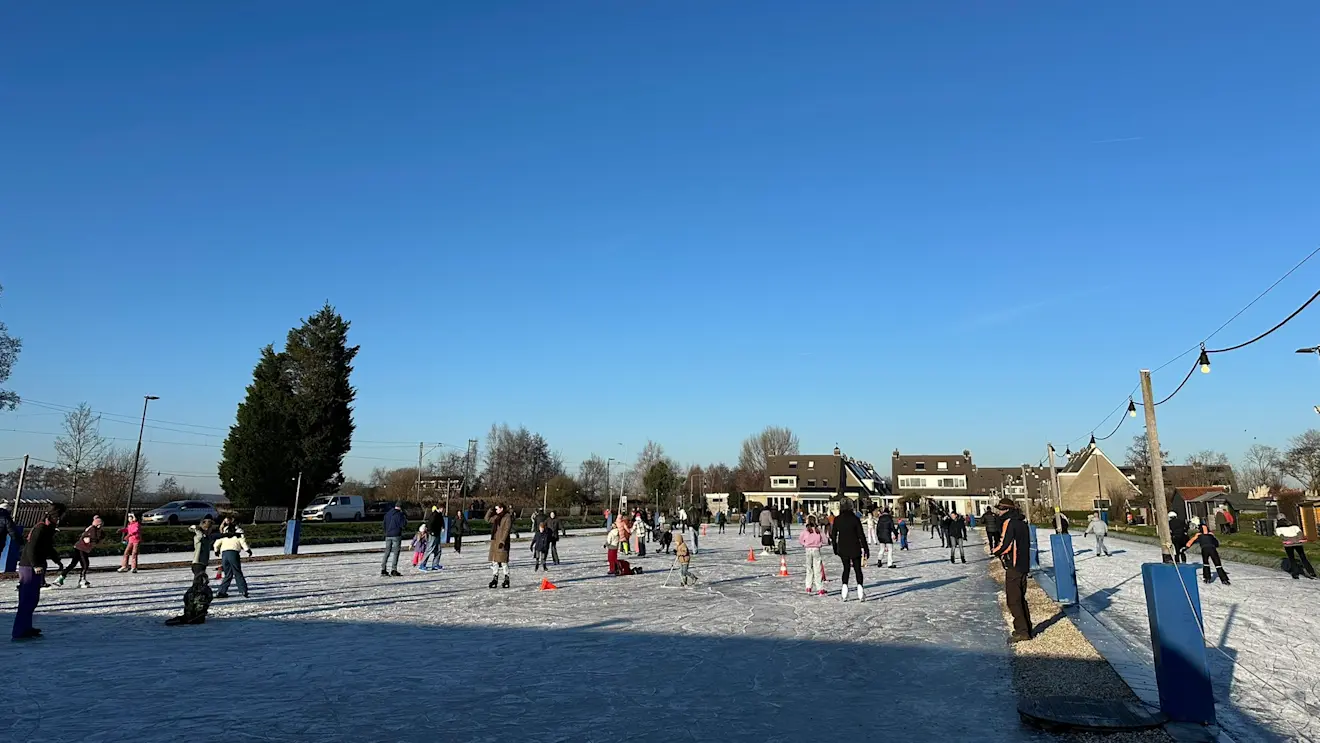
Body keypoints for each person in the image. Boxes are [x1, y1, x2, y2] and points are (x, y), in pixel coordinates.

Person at [12, 504, 65, 641]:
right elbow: (31, 548)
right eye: (59, 516)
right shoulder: (40, 528)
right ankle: (19, 631)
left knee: (32, 599)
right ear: (53, 516)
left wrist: (57, 560)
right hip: (29, 566)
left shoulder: (47, 529)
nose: (60, 520)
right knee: (27, 600)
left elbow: (47, 547)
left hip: (35, 566)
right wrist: (35, 564)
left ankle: (26, 627)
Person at [991, 498, 1033, 643]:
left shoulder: (1009, 523)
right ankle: (1027, 628)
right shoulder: (1022, 522)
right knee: (1020, 598)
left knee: (1013, 600)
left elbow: (1005, 544)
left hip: (1014, 565)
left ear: (1007, 510)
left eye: (1001, 509)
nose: (999, 512)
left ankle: (1022, 631)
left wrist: (995, 551)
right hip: (1023, 564)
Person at [830, 500, 869, 601]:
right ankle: (860, 591)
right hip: (855, 546)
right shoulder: (855, 519)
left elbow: (833, 535)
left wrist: (835, 547)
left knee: (846, 568)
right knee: (857, 569)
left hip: (843, 547)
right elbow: (861, 535)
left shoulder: (838, 519)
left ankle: (844, 592)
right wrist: (866, 548)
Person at [56, 514, 104, 588]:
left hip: (80, 548)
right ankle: (82, 580)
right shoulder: (92, 529)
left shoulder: (96, 530)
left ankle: (61, 577)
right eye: (99, 524)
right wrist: (93, 540)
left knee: (73, 564)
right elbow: (87, 539)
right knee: (85, 564)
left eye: (101, 524)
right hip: (81, 549)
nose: (100, 526)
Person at [213, 525, 253, 598]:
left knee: (228, 574)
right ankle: (243, 590)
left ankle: (221, 591)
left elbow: (216, 544)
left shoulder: (224, 536)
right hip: (234, 554)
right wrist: (248, 550)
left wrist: (216, 551)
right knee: (237, 572)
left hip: (224, 555)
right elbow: (243, 543)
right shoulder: (238, 536)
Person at [1187, 517, 1230, 585]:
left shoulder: (1198, 535)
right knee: (1218, 564)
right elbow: (1217, 543)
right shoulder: (1211, 535)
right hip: (1212, 549)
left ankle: (1207, 578)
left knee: (1206, 564)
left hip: (1204, 549)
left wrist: (1186, 547)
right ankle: (1224, 579)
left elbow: (1191, 542)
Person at [486, 503, 513, 588]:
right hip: (495, 541)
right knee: (495, 561)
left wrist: (503, 541)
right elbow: (487, 519)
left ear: (501, 509)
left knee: (503, 561)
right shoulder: (496, 517)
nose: (496, 510)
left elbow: (506, 530)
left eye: (497, 509)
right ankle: (495, 578)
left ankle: (506, 578)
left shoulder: (507, 517)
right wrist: (490, 510)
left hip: (502, 542)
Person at [799, 515, 826, 596]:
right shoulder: (818, 530)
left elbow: (800, 540)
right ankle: (820, 588)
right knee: (818, 569)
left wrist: (805, 544)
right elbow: (825, 540)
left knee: (809, 569)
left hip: (808, 550)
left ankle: (808, 587)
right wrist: (820, 543)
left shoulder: (805, 531)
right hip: (816, 550)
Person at [381, 503, 407, 577]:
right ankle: (394, 570)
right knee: (396, 553)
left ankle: (383, 569)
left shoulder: (387, 514)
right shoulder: (400, 514)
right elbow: (403, 524)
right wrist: (404, 517)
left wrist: (386, 532)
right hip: (396, 535)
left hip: (388, 535)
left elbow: (384, 524)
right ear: (400, 508)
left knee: (387, 552)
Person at [422, 506, 445, 571]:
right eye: (442, 508)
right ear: (439, 508)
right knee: (430, 548)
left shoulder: (440, 515)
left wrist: (443, 527)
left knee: (438, 549)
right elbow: (429, 524)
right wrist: (431, 532)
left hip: (437, 533)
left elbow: (441, 522)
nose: (443, 510)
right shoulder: (434, 514)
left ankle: (435, 564)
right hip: (433, 534)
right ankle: (422, 564)